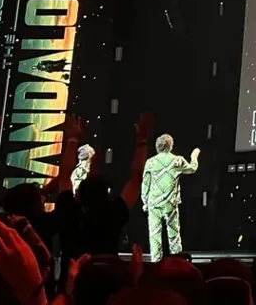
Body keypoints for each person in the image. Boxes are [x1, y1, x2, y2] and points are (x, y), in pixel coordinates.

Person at [57, 114, 152, 271]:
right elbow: (135, 179)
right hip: (108, 280)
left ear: (79, 193)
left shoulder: (69, 212)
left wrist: (72, 140)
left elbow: (65, 175)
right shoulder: (113, 214)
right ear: (107, 193)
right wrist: (142, 142)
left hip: (73, 283)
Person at [141, 133, 200, 262]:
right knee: (174, 236)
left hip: (154, 203)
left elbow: (145, 184)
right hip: (170, 203)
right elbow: (192, 169)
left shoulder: (150, 162)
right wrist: (194, 157)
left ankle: (156, 264)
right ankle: (177, 263)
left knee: (154, 235)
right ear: (171, 146)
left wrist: (145, 201)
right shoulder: (177, 160)